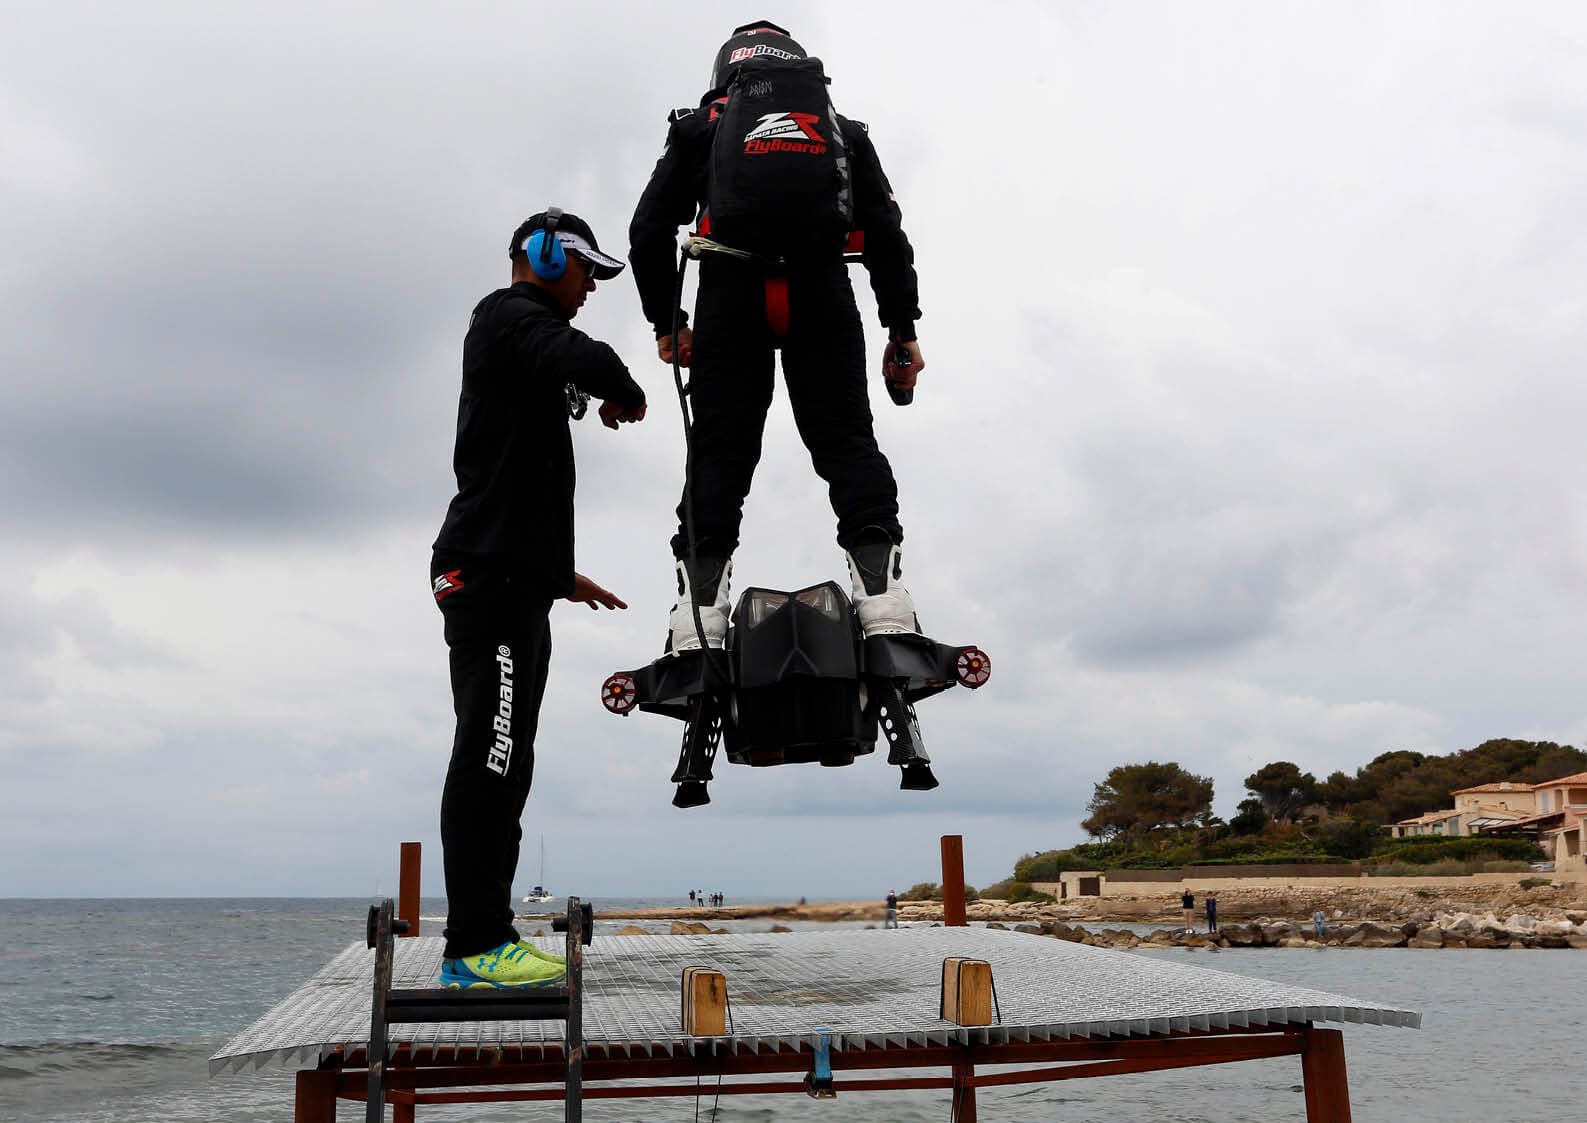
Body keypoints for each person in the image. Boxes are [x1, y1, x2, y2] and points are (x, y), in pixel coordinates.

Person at [629, 20, 925, 652]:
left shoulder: (699, 131)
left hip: (729, 292)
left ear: (724, 76)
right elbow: (887, 238)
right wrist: (901, 332)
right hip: (822, 290)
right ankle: (884, 602)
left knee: (719, 454)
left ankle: (699, 614)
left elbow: (646, 230)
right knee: (846, 443)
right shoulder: (844, 134)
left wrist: (667, 324)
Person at [431, 209, 646, 988]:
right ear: (545, 254)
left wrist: (561, 575)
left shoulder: (518, 337)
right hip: (487, 574)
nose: (591, 286)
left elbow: (516, 476)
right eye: (585, 268)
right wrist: (625, 390)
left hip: (514, 576)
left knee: (507, 759)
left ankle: (487, 937)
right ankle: (474, 946)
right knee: (489, 756)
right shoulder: (509, 313)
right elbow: (579, 353)